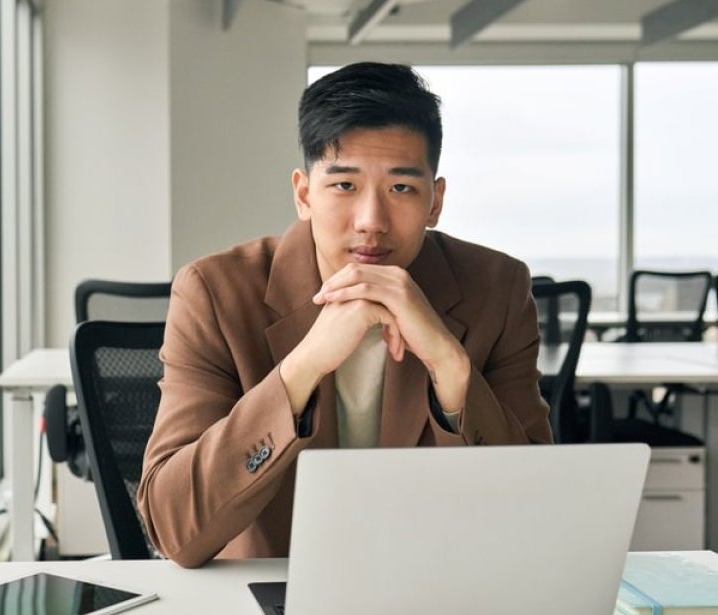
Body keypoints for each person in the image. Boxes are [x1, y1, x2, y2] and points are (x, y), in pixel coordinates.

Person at [136, 62, 553, 569]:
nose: (371, 222)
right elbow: (174, 531)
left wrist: (449, 364)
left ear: (435, 202)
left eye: (401, 188)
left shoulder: (497, 288)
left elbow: (536, 514)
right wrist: (303, 366)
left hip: (436, 584)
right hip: (275, 585)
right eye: (344, 186)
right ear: (304, 194)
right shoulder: (215, 293)